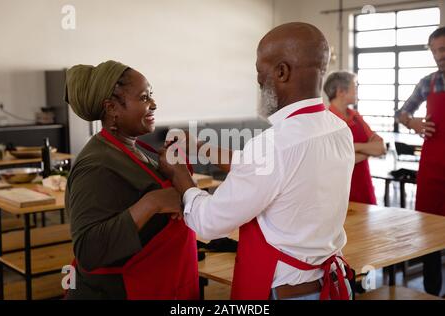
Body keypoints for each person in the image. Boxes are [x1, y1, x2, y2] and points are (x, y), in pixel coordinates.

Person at [160, 23, 355, 300]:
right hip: (327, 283)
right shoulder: (337, 128)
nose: (258, 81)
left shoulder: (273, 145)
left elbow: (209, 222)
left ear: (281, 72)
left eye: (259, 71)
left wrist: (180, 176)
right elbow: (271, 172)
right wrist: (201, 148)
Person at [64, 60, 199, 299]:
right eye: (144, 97)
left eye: (151, 96)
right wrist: (152, 203)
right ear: (112, 108)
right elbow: (88, 250)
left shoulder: (141, 151)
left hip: (164, 283)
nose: (154, 104)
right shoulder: (95, 165)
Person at [396, 27, 445, 297]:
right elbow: (401, 112)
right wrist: (412, 121)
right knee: (431, 237)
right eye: (436, 50)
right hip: (433, 171)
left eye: (444, 49)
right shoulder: (428, 82)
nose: (441, 55)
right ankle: (430, 293)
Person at [324, 71, 386, 205]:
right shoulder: (326, 120)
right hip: (340, 191)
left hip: (364, 186)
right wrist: (368, 151)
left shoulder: (356, 116)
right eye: (355, 86)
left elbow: (381, 148)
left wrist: (353, 148)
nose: (357, 90)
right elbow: (334, 160)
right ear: (341, 91)